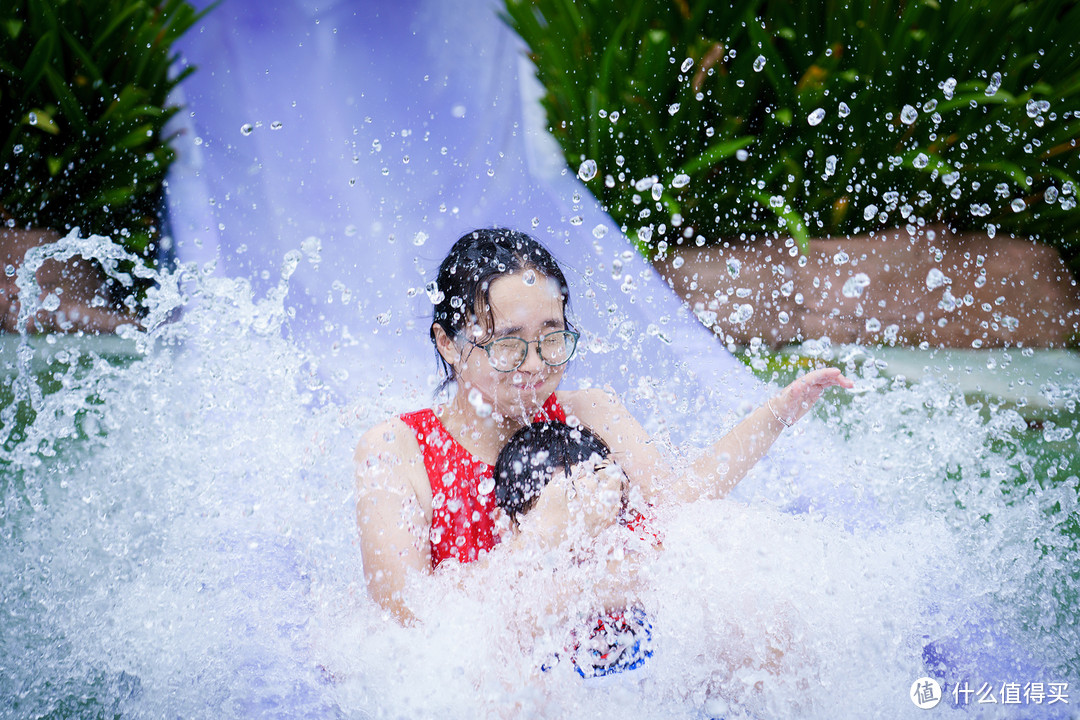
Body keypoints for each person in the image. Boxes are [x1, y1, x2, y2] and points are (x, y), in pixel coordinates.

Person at [354, 227, 853, 623]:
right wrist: (542, 536)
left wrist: (774, 415)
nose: (534, 365)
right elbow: (406, 618)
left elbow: (678, 511)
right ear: (447, 343)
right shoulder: (397, 450)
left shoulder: (588, 412)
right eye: (507, 345)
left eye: (552, 338)